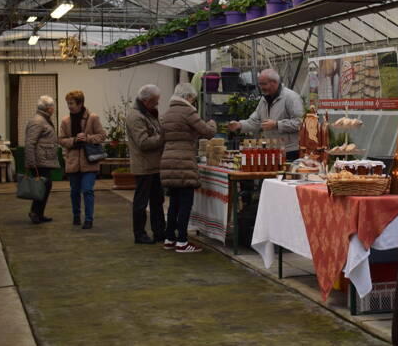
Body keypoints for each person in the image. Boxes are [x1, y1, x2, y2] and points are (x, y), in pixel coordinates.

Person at [160, 83, 216, 253]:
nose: (193, 101)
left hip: (168, 160)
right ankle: (182, 241)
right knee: (185, 203)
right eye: (192, 98)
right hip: (183, 162)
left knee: (174, 203)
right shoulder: (188, 111)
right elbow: (208, 132)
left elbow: (164, 136)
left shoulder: (167, 113)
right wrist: (213, 123)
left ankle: (169, 238)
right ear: (187, 97)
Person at [228, 69, 304, 161]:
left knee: (284, 175)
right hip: (272, 150)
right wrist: (239, 125)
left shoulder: (291, 98)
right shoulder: (264, 100)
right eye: (260, 84)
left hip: (290, 152)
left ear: (274, 82)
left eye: (264, 84)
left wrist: (276, 124)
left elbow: (300, 123)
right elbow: (255, 121)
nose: (261, 87)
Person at [58, 90, 106, 229]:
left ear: (80, 103)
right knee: (74, 192)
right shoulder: (65, 121)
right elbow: (61, 140)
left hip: (89, 161)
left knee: (87, 190)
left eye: (71, 103)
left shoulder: (93, 118)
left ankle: (89, 219)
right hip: (72, 162)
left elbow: (102, 135)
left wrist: (88, 138)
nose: (69, 106)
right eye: (67, 103)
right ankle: (76, 216)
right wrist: (73, 140)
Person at [126, 84, 165, 245]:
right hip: (144, 166)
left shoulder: (147, 113)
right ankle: (139, 234)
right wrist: (163, 137)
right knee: (141, 202)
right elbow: (143, 142)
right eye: (155, 101)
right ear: (146, 100)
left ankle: (160, 232)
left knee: (157, 200)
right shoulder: (136, 117)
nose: (157, 105)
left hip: (153, 165)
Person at [24, 95, 60, 224]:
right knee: (43, 187)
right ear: (48, 108)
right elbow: (30, 143)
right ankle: (35, 213)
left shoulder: (43, 119)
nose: (53, 109)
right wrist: (31, 163)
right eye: (52, 106)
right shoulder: (38, 121)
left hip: (43, 159)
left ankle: (38, 213)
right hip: (40, 161)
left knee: (44, 187)